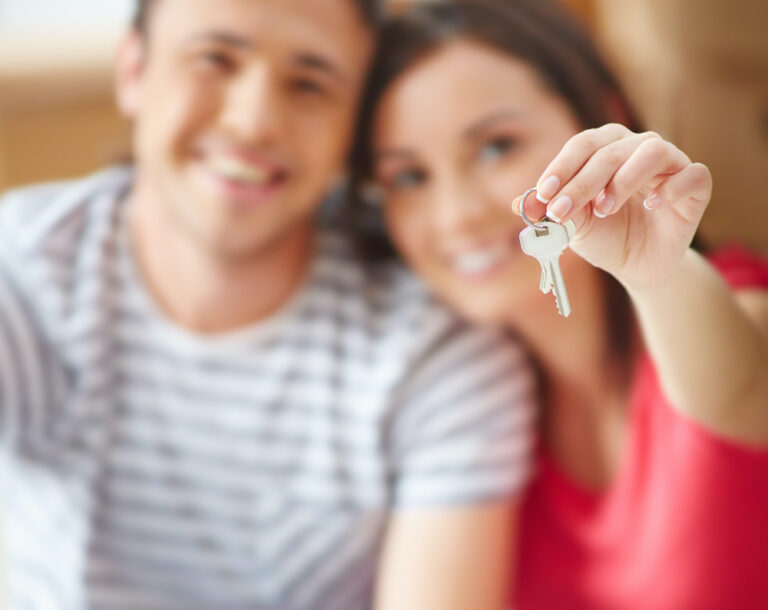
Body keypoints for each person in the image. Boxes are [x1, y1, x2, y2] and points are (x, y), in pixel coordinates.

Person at [0, 1, 537, 608]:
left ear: (352, 130)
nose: (255, 121)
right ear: (133, 71)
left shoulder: (432, 344)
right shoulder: (24, 270)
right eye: (214, 60)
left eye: (310, 84)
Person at [351, 0, 768, 608]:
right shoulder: (463, 411)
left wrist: (657, 274)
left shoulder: (725, 306)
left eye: (496, 147)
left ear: (603, 115)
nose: (457, 214)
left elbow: (743, 383)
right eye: (409, 178)